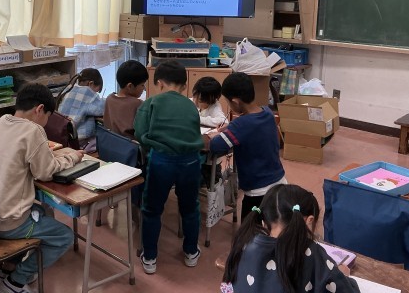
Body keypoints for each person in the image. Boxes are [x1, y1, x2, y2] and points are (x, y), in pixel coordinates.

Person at [0, 83, 84, 293]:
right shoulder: (33, 130)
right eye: (48, 117)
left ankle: (7, 269)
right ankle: (15, 281)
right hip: (8, 222)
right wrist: (72, 157)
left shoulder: (2, 121)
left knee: (42, 211)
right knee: (64, 237)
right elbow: (45, 172)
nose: (46, 123)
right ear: (39, 109)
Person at [221, 183, 360, 293]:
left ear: (263, 221)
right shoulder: (311, 253)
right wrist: (344, 277)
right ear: (309, 220)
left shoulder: (244, 243)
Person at [134, 60, 204, 274]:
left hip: (161, 160)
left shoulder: (151, 103)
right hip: (191, 161)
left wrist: (152, 145)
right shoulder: (191, 106)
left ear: (159, 83)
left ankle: (150, 257)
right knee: (190, 208)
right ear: (184, 85)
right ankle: (191, 252)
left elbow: (140, 134)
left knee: (152, 209)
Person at [207, 72, 286, 222]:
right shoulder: (267, 112)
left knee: (249, 231)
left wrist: (217, 135)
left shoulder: (241, 125)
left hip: (258, 190)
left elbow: (215, 146)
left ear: (235, 102)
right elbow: (250, 126)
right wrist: (230, 127)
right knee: (273, 225)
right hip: (279, 181)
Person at [57, 68, 105, 150]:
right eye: (96, 91)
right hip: (76, 141)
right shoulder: (87, 92)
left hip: (62, 137)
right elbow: (102, 109)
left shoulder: (69, 88)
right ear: (90, 83)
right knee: (103, 140)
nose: (95, 94)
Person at [103, 60, 149, 138]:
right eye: (142, 85)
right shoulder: (137, 104)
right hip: (130, 144)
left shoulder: (109, 98)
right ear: (130, 86)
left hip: (110, 142)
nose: (144, 88)